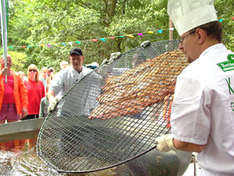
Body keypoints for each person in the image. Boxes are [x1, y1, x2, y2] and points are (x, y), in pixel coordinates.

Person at [156, 0, 234, 175]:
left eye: (182, 38)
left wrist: (169, 142)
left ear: (199, 35)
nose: (181, 46)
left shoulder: (194, 74)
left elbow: (190, 143)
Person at [48, 48, 92, 114]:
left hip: (84, 113)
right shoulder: (63, 74)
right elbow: (52, 90)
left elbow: (102, 81)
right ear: (70, 60)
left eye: (78, 59)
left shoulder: (89, 73)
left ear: (82, 58)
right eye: (73, 59)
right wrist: (52, 101)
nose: (76, 61)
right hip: (65, 113)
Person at [0, 55, 28, 124]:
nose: (8, 62)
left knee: (13, 127)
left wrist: (24, 106)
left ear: (11, 63)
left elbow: (23, 93)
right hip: (1, 106)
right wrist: (1, 74)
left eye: (9, 60)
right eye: (5, 60)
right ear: (1, 62)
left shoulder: (16, 76)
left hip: (13, 106)